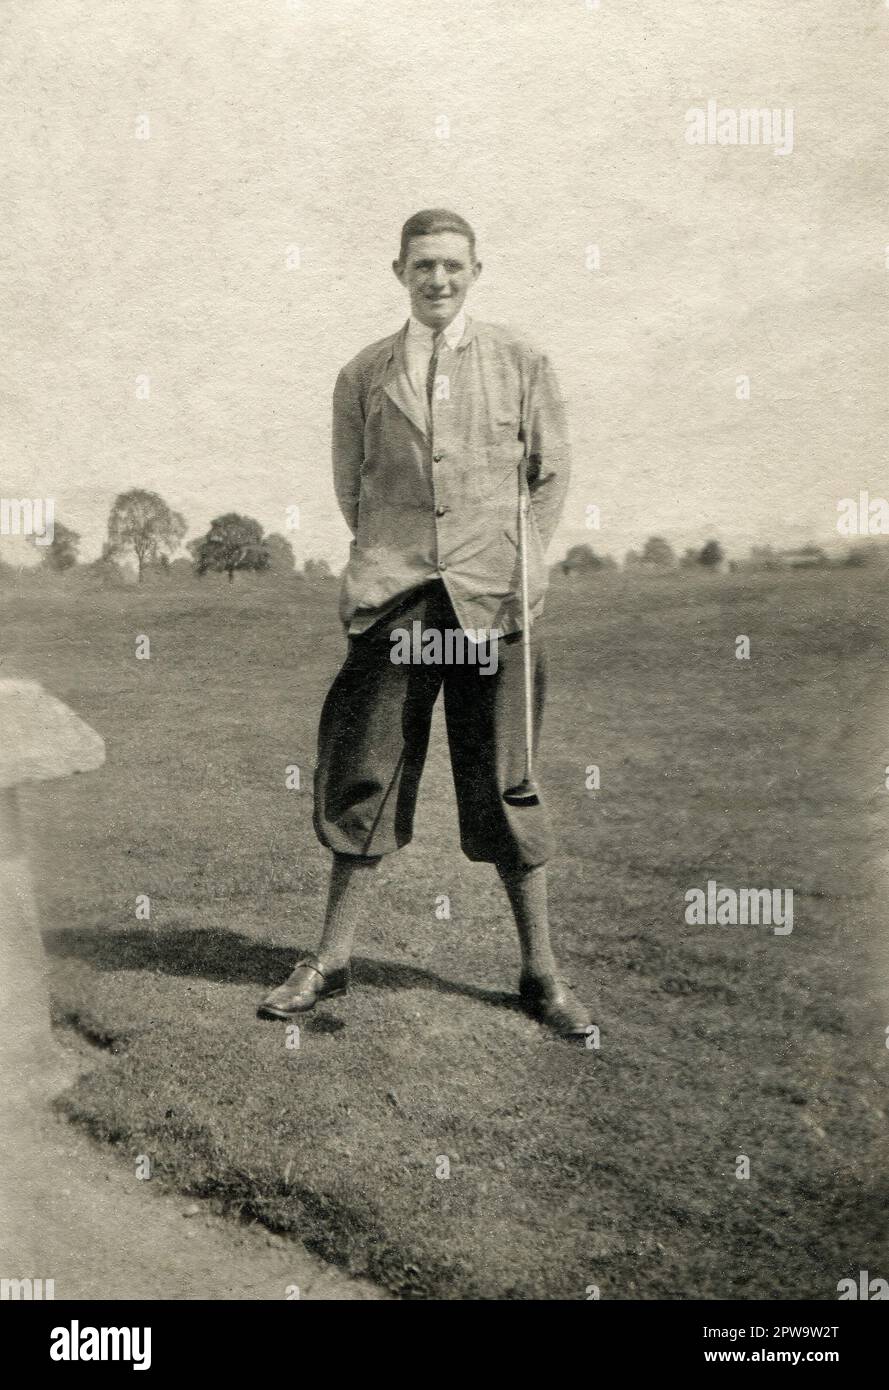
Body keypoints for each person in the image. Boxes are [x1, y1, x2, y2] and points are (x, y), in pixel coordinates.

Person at [258, 208, 591, 1038]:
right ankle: (329, 962)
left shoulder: (521, 361)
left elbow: (548, 477)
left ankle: (540, 974)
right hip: (398, 602)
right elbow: (352, 490)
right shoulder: (363, 374)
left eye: (451, 265)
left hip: (496, 606)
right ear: (398, 272)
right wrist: (396, 559)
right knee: (364, 778)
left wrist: (515, 561)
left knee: (507, 783)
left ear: (476, 270)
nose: (437, 279)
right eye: (421, 266)